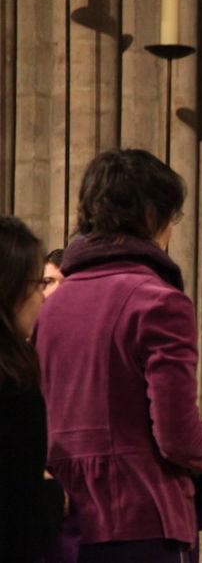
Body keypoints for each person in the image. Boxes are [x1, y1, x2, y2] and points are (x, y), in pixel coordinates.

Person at [35, 148, 202, 562]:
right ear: (152, 217)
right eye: (172, 218)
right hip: (140, 517)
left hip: (67, 519)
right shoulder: (158, 301)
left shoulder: (53, 305)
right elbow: (178, 437)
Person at [0, 216, 66, 561]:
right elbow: (20, 521)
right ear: (10, 287)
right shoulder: (14, 380)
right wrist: (56, 495)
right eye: (38, 284)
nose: (43, 299)